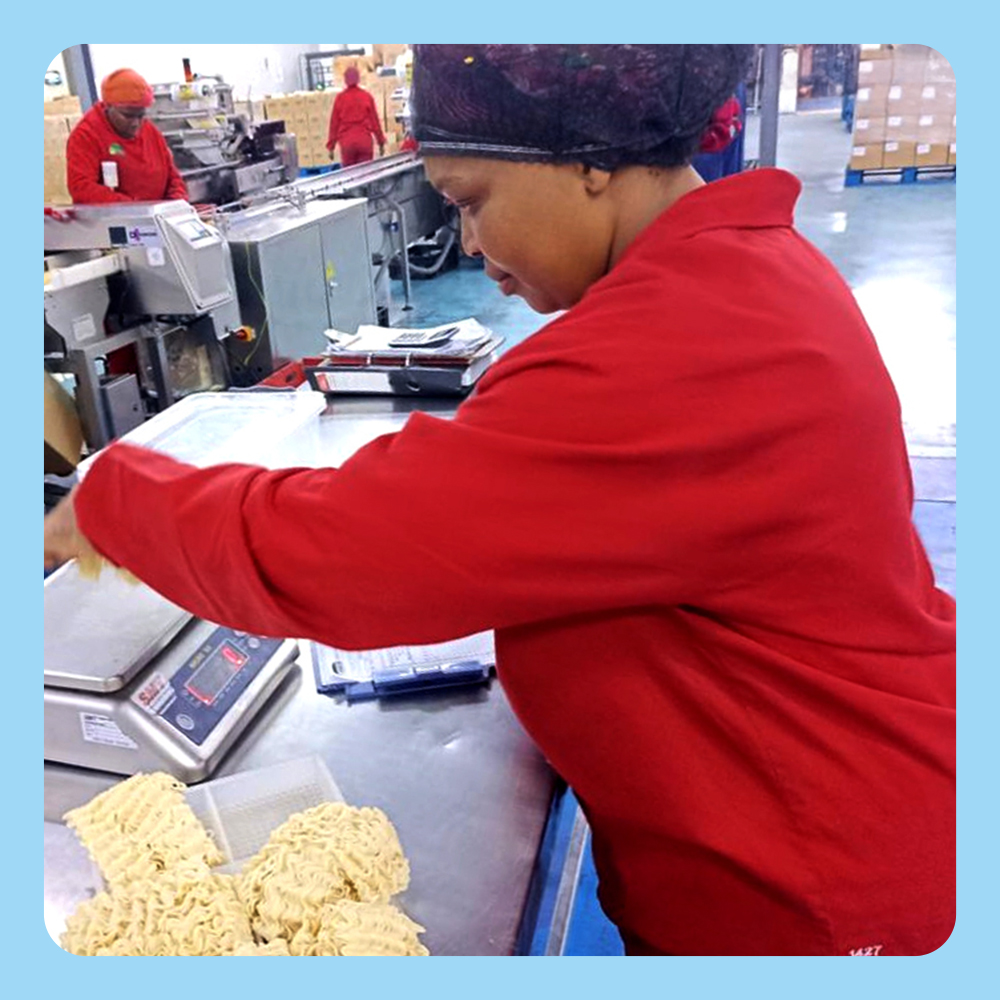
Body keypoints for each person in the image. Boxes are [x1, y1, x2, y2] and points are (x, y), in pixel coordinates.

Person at [44, 45, 955, 956]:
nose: (470, 246)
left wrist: (115, 498)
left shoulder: (685, 341)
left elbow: (357, 553)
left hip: (818, 898)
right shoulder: (748, 273)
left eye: (472, 201)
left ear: (592, 159)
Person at [65, 68, 188, 205]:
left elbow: (173, 178)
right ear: (107, 107)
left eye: (141, 115)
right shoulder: (86, 136)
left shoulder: (150, 131)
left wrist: (176, 205)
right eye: (127, 116)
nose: (136, 123)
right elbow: (82, 188)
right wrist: (135, 209)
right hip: (114, 221)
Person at [326, 65, 386, 166]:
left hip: (347, 143)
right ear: (358, 79)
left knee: (351, 177)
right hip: (364, 141)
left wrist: (331, 146)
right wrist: (381, 142)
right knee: (366, 175)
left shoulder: (340, 98)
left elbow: (334, 124)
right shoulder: (366, 96)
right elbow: (375, 122)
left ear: (345, 80)